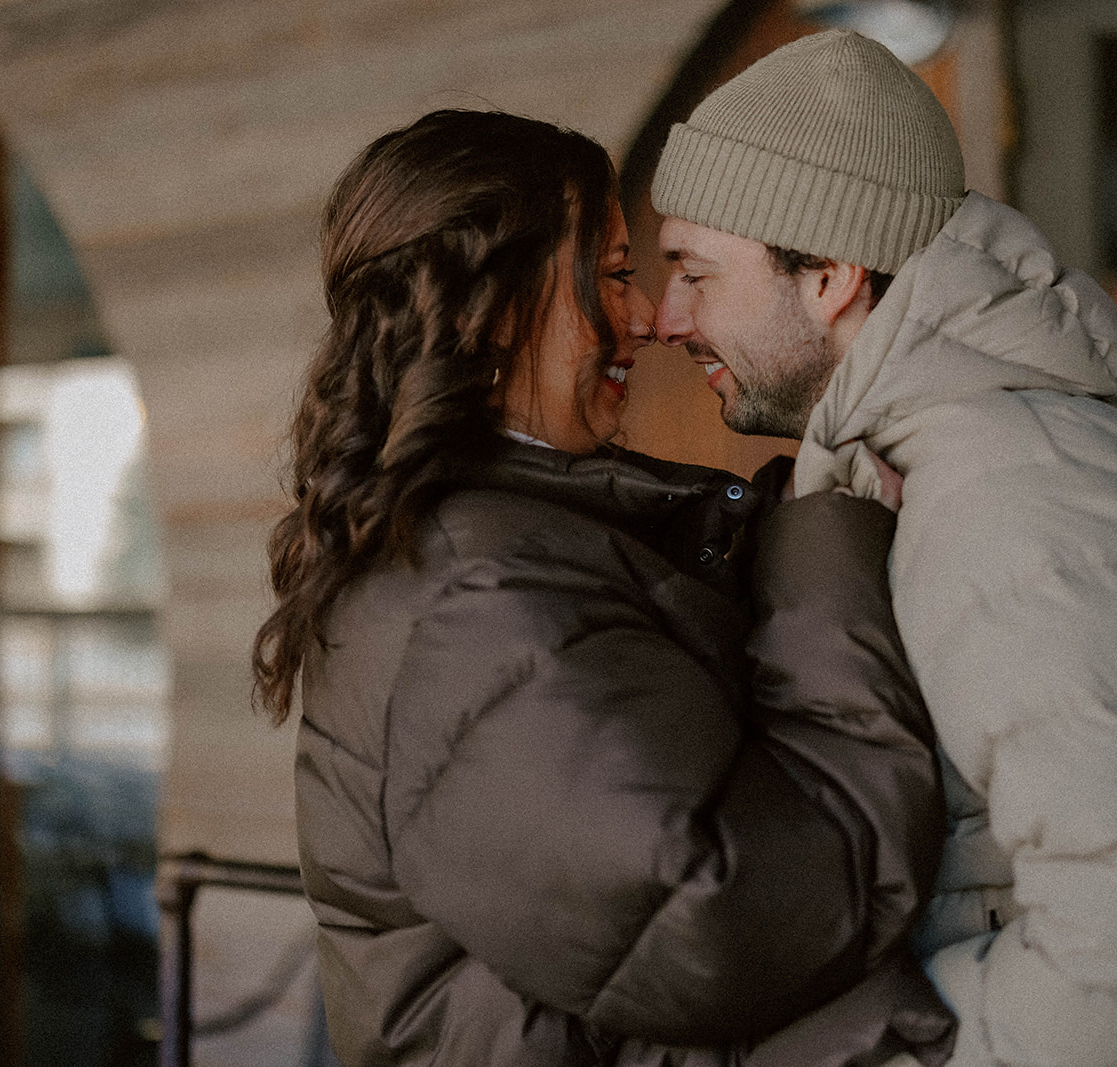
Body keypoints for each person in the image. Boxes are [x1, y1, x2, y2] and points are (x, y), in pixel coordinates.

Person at [651, 30, 1117, 1067]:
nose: (662, 316)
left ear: (826, 274)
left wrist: (881, 1053)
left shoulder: (1017, 500)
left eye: (694, 272)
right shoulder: (935, 472)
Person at [251, 108, 957, 1067]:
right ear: (497, 307)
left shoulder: (497, 543)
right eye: (616, 274)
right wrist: (828, 555)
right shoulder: (474, 595)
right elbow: (732, 918)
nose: (646, 320)